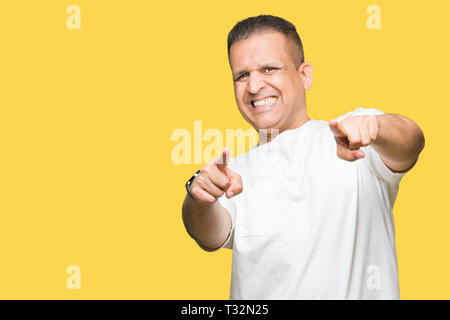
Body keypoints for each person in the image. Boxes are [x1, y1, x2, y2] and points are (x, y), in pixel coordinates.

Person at [181, 15, 425, 299]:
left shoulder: (355, 137)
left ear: (304, 75)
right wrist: (199, 198)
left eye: (269, 68)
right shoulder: (232, 173)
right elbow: (208, 236)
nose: (254, 86)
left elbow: (412, 142)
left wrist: (377, 127)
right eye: (242, 75)